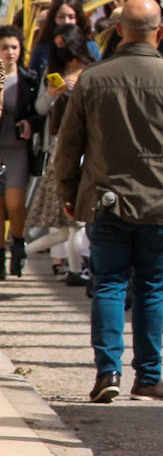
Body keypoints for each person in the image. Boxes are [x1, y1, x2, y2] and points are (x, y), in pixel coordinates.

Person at [53, 0, 163, 404]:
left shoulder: (93, 79)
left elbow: (67, 147)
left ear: (120, 31)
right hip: (162, 202)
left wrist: (69, 195)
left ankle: (107, 371)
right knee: (151, 289)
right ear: (160, 32)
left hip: (107, 199)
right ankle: (148, 376)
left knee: (108, 284)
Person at [27, 25, 96, 284]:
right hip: (59, 147)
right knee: (70, 221)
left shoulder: (93, 72)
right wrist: (51, 94)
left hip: (88, 148)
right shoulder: (53, 71)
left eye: (64, 44)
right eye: (56, 45)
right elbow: (41, 108)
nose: (60, 50)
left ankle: (28, 253)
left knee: (74, 223)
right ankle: (73, 270)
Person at [0, 25, 41, 278]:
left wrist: (31, 123)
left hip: (17, 149)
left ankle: (18, 244)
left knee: (15, 204)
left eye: (14, 47)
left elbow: (38, 112)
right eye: (4, 47)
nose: (9, 52)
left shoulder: (29, 79)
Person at [29, 0, 97, 76]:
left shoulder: (90, 46)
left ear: (78, 19)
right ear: (54, 18)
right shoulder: (43, 48)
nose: (66, 21)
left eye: (71, 17)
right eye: (61, 17)